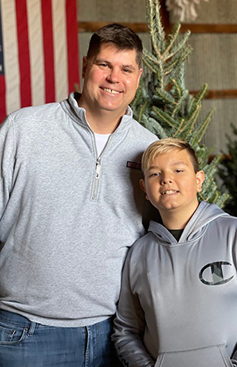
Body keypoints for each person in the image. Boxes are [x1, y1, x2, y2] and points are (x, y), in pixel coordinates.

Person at [0, 23, 157, 366]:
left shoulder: (149, 150)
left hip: (113, 335)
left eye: (126, 69)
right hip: (23, 333)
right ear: (85, 65)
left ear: (138, 76)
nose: (114, 78)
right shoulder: (23, 129)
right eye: (104, 65)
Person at [112, 137, 237, 367]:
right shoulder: (138, 254)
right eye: (155, 174)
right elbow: (126, 331)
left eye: (178, 170)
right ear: (145, 190)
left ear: (199, 181)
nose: (167, 178)